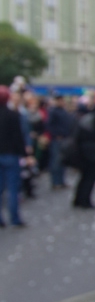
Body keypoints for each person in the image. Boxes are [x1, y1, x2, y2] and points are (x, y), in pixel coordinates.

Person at [73, 92, 95, 209]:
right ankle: (84, 201)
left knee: (84, 177)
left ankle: (78, 199)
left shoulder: (80, 119)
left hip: (83, 151)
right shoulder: (90, 120)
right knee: (90, 177)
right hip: (91, 152)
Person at [0, 86, 27, 227]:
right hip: (10, 155)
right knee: (13, 188)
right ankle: (14, 218)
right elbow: (18, 137)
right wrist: (24, 154)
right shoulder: (13, 115)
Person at [47, 93, 72, 189]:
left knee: (62, 161)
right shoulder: (53, 111)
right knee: (56, 161)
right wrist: (56, 134)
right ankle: (55, 182)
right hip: (57, 139)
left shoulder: (63, 111)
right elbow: (49, 125)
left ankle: (61, 181)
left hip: (65, 138)